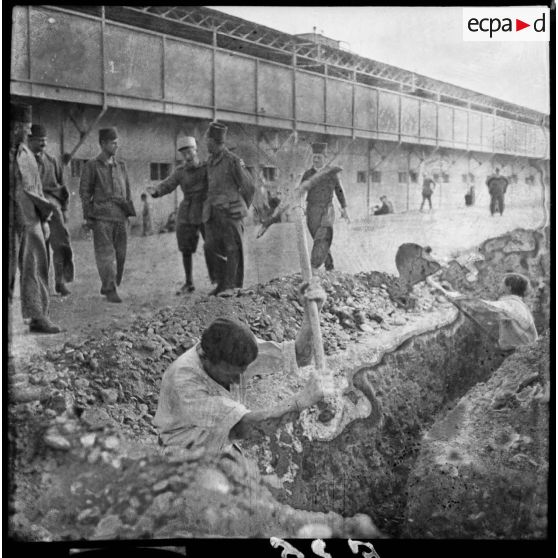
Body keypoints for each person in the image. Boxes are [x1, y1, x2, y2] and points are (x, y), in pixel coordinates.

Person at [154, 277, 333, 454]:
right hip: (183, 456)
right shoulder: (184, 381)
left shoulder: (238, 351)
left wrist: (311, 316)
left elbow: (299, 356)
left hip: (218, 444)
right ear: (205, 357)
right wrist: (301, 400)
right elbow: (245, 429)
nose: (237, 380)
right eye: (231, 374)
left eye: (242, 372)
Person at [10, 103, 61, 333]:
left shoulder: (27, 155)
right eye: (24, 127)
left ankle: (38, 316)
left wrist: (44, 218)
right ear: (13, 127)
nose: (28, 132)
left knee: (36, 266)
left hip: (29, 219)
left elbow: (37, 189)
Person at [147, 137, 215, 295]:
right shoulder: (180, 171)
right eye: (184, 153)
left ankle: (217, 279)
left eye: (189, 151)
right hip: (188, 210)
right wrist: (156, 191)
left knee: (212, 245)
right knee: (185, 247)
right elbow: (169, 184)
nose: (187, 156)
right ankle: (189, 282)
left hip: (205, 208)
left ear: (196, 150)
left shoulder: (206, 167)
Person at [79, 127, 134, 303]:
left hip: (120, 217)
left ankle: (110, 283)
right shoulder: (92, 166)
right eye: (113, 143)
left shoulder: (121, 166)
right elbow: (85, 192)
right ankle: (110, 288)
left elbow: (128, 191)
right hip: (102, 217)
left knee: (121, 254)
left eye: (117, 142)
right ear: (102, 144)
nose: (116, 146)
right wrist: (88, 217)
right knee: (105, 254)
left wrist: (129, 213)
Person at [203, 121, 255, 297]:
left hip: (231, 213)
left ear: (214, 141)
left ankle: (232, 286)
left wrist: (240, 208)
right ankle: (221, 282)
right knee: (210, 247)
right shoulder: (210, 161)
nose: (205, 143)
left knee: (232, 249)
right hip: (214, 213)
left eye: (207, 140)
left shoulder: (232, 160)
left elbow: (249, 187)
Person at [427, 273, 538, 352]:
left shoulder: (511, 304)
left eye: (502, 284)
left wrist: (452, 295)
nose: (499, 286)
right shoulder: (518, 304)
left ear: (508, 288)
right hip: (524, 348)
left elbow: (484, 306)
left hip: (523, 351)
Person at [28, 124, 74, 297]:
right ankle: (41, 285)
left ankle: (60, 282)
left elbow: (63, 188)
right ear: (30, 140)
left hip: (54, 208)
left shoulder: (52, 161)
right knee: (39, 248)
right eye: (39, 140)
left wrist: (65, 209)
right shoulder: (24, 162)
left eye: (45, 140)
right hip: (33, 208)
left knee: (61, 244)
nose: (43, 143)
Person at [300, 142, 350, 274]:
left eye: (319, 157)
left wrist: (344, 208)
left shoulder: (330, 173)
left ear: (325, 158)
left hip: (327, 209)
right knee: (318, 238)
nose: (316, 160)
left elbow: (339, 190)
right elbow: (300, 191)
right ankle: (329, 266)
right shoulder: (308, 174)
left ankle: (317, 266)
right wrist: (299, 206)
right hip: (312, 210)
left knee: (323, 236)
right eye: (314, 157)